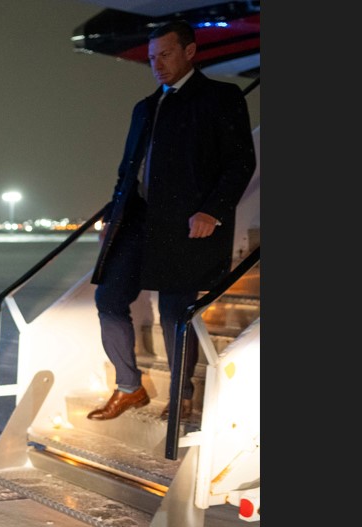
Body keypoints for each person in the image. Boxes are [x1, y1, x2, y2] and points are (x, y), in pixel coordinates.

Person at [86, 20, 256, 421]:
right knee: (108, 299)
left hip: (185, 226)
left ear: (190, 51)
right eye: (151, 58)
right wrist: (112, 217)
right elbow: (128, 171)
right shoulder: (144, 108)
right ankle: (129, 387)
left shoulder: (220, 97)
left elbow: (240, 161)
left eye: (165, 54)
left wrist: (213, 211)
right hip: (137, 221)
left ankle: (180, 395)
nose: (157, 65)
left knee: (175, 311)